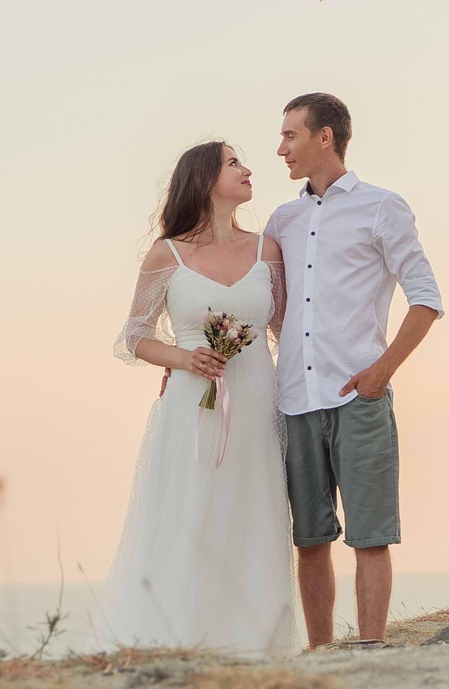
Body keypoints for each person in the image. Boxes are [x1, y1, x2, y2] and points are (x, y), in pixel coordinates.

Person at [104, 141, 302, 655]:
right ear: (202, 177)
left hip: (258, 404)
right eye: (234, 163)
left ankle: (257, 646)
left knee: (255, 516)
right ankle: (181, 644)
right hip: (192, 408)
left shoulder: (267, 250)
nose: (249, 169)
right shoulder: (166, 254)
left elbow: (285, 328)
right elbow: (134, 335)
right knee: (191, 518)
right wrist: (184, 358)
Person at [267, 92, 442, 650]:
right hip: (295, 398)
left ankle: (370, 652)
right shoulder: (283, 220)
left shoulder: (382, 207)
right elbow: (274, 310)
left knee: (369, 536)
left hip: (358, 397)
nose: (280, 148)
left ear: (325, 137)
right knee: (310, 540)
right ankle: (322, 657)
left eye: (291, 135)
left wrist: (380, 373)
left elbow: (426, 298)